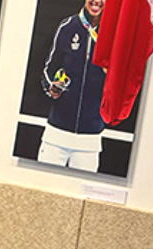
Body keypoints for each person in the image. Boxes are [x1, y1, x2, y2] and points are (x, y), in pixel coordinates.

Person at [37, 0, 109, 172]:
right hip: (57, 133)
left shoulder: (112, 34)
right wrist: (51, 86)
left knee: (83, 196)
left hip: (89, 137)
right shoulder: (68, 27)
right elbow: (48, 68)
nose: (96, 1)